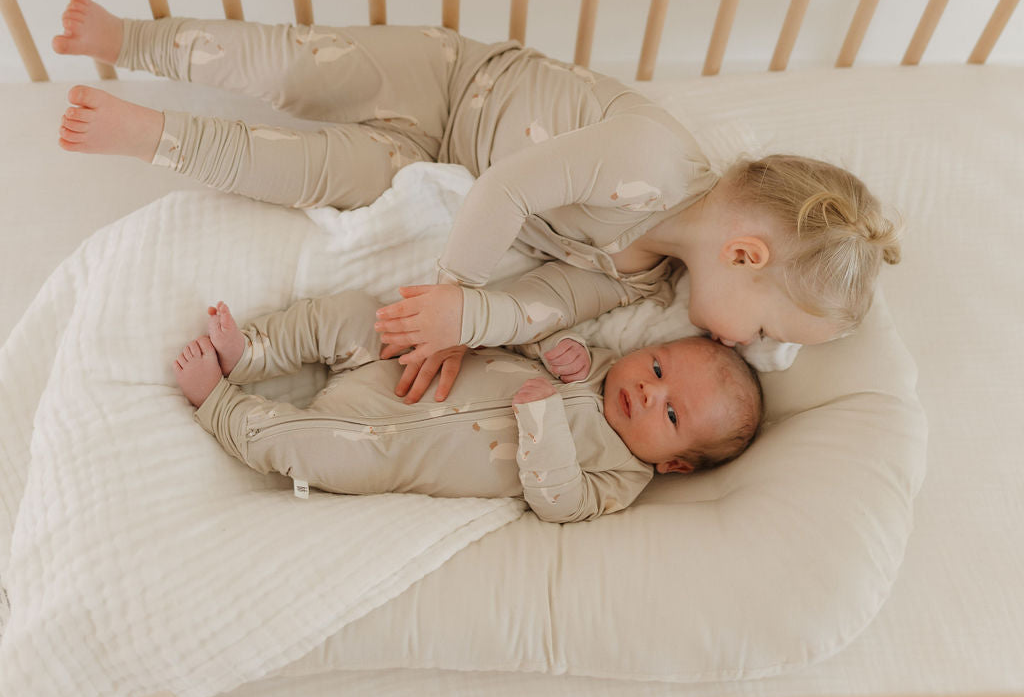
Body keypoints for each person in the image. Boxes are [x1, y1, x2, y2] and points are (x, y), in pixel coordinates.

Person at [53, 0, 902, 404]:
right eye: (764, 331)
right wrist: (456, 285)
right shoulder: (651, 156)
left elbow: (539, 305)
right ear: (745, 255)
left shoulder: (644, 286)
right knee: (297, 67)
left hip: (428, 166)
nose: (749, 348)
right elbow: (511, 188)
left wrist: (464, 327)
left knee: (308, 170)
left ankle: (155, 136)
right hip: (452, 79)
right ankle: (133, 40)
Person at [171, 290, 764, 524]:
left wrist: (544, 424)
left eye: (671, 415)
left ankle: (220, 403)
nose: (648, 391)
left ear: (676, 464)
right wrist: (554, 347)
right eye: (657, 367)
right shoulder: (602, 361)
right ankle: (252, 351)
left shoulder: (621, 477)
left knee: (321, 451)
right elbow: (519, 329)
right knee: (361, 316)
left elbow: (559, 503)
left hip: (391, 443)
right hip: (414, 365)